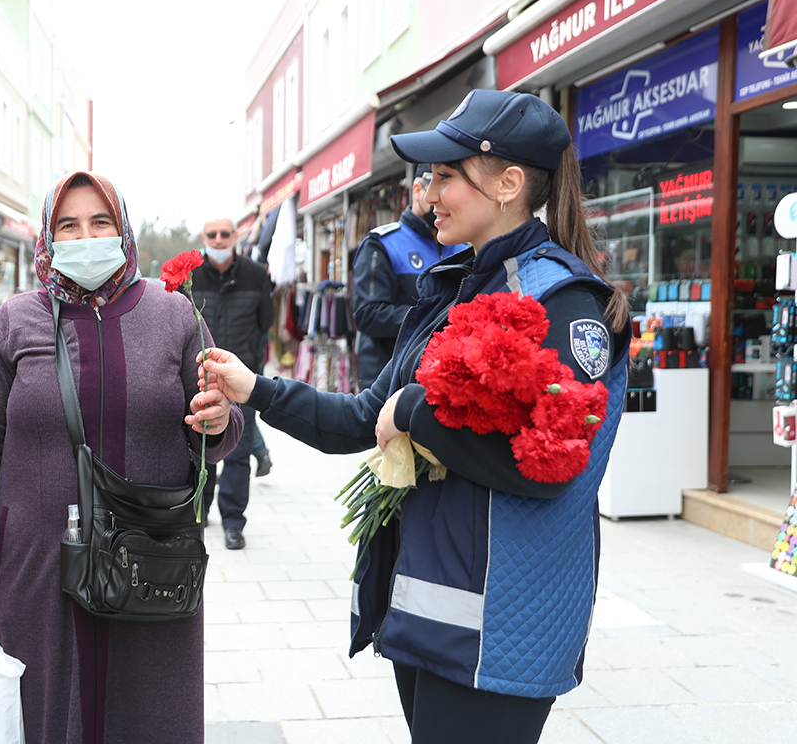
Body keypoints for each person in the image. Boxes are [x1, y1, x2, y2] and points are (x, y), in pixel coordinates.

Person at [191, 90, 630, 744]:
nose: (427, 194)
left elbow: (546, 471)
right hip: (428, 601)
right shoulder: (458, 285)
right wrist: (252, 388)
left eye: (446, 176)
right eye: (431, 177)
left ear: (509, 184)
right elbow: (363, 419)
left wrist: (415, 410)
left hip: (497, 625)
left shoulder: (563, 304)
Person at [0, 170, 243, 744]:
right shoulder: (12, 324)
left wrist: (220, 419)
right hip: (38, 566)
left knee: (147, 713)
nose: (86, 238)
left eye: (100, 222)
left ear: (123, 230)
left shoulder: (176, 314)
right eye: (69, 226)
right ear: (48, 239)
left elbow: (223, 435)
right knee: (46, 711)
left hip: (151, 559)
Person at [189, 216, 275, 549]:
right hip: (200, 378)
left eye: (226, 234)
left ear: (235, 235)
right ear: (204, 236)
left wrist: (251, 368)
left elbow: (264, 320)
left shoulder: (255, 274)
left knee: (239, 451)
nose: (220, 239)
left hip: (242, 379)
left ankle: (233, 523)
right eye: (213, 234)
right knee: (202, 448)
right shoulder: (192, 278)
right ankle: (200, 511)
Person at [353, 163, 470, 390]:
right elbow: (367, 314)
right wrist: (438, 320)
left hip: (442, 379)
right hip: (387, 380)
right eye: (437, 188)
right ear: (418, 191)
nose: (442, 200)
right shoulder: (382, 244)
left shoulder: (462, 248)